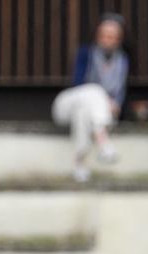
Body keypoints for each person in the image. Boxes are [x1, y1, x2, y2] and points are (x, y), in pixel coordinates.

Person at [51, 14, 128, 183]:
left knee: (83, 113)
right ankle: (103, 141)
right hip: (68, 104)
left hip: (92, 114)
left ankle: (79, 163)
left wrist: (116, 105)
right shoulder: (86, 53)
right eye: (105, 35)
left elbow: (120, 93)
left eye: (113, 37)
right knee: (94, 91)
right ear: (98, 36)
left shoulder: (122, 60)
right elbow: (78, 84)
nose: (108, 40)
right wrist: (106, 100)